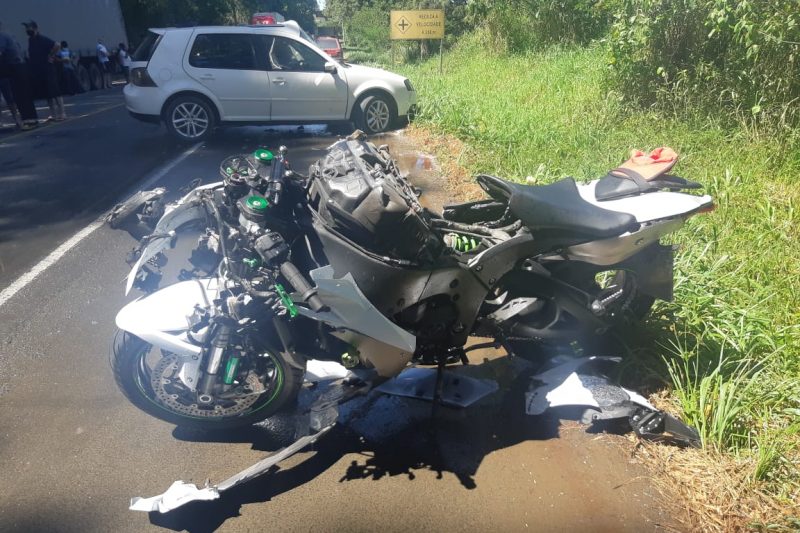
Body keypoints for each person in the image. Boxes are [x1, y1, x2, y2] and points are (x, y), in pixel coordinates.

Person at [23, 20, 65, 121]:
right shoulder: (30, 40)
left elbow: (57, 45)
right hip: (38, 69)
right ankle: (53, 114)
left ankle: (62, 113)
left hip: (47, 68)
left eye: (30, 29)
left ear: (36, 29)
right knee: (47, 93)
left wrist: (51, 55)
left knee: (55, 91)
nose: (28, 31)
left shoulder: (42, 39)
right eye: (27, 29)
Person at [0, 20, 35, 128]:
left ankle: (25, 120)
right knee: (16, 95)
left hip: (12, 68)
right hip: (14, 67)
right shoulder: (9, 35)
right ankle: (26, 120)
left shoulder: (2, 36)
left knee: (16, 95)